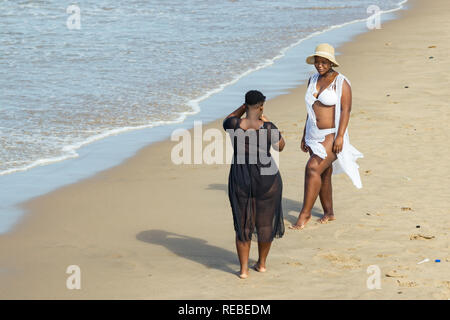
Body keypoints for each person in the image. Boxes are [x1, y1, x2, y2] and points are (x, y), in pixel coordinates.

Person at [290, 43, 364, 230]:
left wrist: (340, 136)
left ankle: (304, 215)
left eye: (324, 62)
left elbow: (346, 110)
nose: (320, 65)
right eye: (317, 62)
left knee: (312, 168)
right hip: (313, 134)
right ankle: (329, 212)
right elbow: (310, 110)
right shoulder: (312, 80)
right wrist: (304, 135)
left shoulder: (342, 82)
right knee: (324, 173)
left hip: (331, 134)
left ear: (331, 63)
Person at [223, 90, 285, 279]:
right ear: (261, 106)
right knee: (265, 223)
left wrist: (243, 108)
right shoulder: (267, 127)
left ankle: (243, 270)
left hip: (241, 177)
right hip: (267, 178)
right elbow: (280, 146)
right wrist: (265, 118)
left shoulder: (234, 124)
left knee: (243, 225)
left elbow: (229, 117)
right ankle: (262, 264)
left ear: (245, 105)